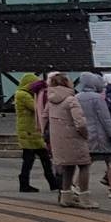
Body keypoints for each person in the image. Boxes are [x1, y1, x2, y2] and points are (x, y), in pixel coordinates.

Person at [42, 71, 95, 208]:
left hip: (58, 140)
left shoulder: (50, 100)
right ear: (66, 83)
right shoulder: (71, 99)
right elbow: (80, 122)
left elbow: (44, 117)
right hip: (74, 138)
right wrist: (85, 135)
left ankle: (66, 196)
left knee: (67, 167)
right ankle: (84, 198)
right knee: (84, 165)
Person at [75, 71, 111, 202]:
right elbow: (105, 118)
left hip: (86, 134)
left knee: (87, 162)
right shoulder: (97, 98)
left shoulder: (77, 97)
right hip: (100, 135)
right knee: (110, 162)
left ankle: (75, 185)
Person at [13, 73, 59, 193]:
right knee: (30, 159)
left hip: (33, 131)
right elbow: (36, 107)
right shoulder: (22, 94)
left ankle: (52, 183)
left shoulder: (26, 93)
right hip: (28, 131)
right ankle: (25, 183)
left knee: (42, 158)